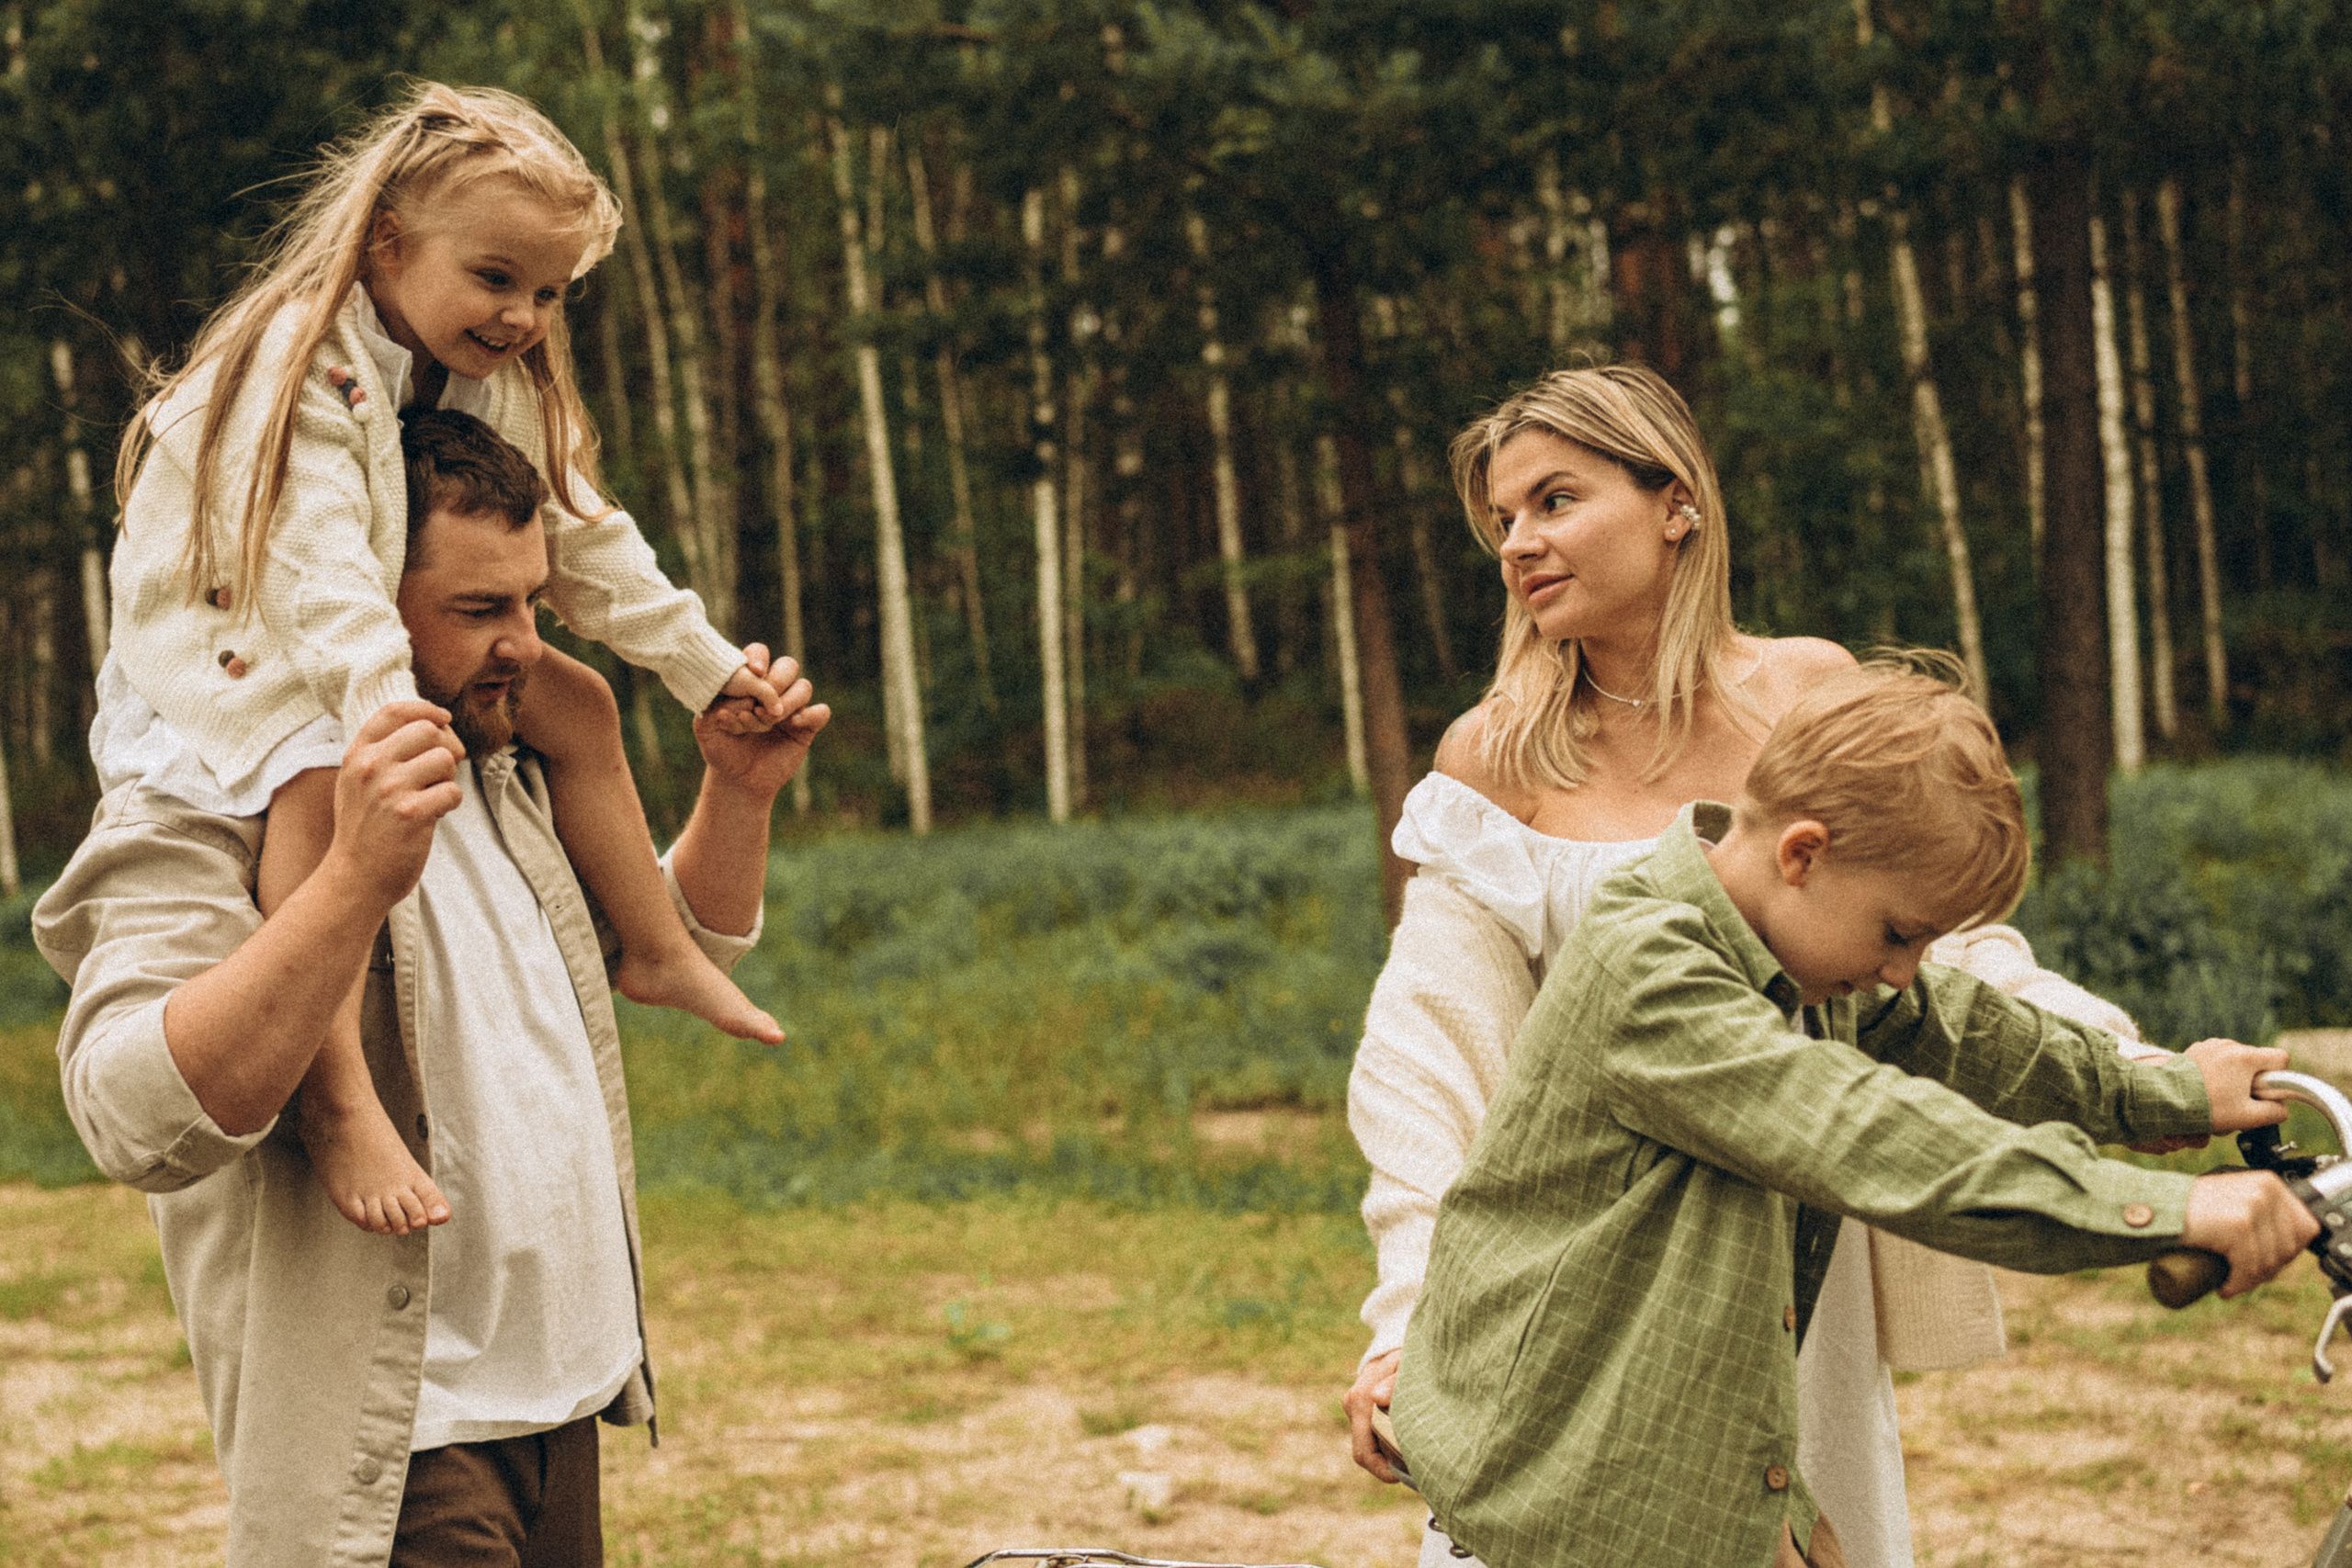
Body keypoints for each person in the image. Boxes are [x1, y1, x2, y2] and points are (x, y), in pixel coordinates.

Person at [1342, 366, 2174, 1568]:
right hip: (1586, 1278)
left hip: (1795, 1247)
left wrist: (2129, 1071)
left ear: (1674, 500)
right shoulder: (1496, 754)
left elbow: (1937, 953)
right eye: (1503, 519)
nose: (1518, 542)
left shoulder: (1810, 695)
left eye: (1555, 499)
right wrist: (1413, 1312)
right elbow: (1426, 1059)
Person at [37, 407, 830, 1567]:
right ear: (353, 598)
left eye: (531, 603)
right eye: (477, 610)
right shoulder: (209, 801)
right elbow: (131, 1112)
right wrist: (349, 883)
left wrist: (740, 796)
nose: (524, 645)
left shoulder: (506, 762)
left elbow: (666, 951)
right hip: (403, 1441)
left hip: (563, 1401)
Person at [1389, 659, 2312, 1568]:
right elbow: (1866, 1134)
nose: (1901, 970)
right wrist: (2165, 1209)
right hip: (1569, 1478)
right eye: (1898, 933)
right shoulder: (1653, 972)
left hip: (1684, 1450)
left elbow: (1963, 1028)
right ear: (1802, 854)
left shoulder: (1781, 948)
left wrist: (2159, 1091)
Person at [106, 81, 786, 1238]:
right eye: (496, 277)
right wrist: (387, 717)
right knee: (322, 776)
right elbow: (319, 568)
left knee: (577, 702)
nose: (522, 315)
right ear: (388, 242)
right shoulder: (294, 363)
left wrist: (707, 668)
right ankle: (339, 1101)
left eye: (549, 292)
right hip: (225, 634)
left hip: (364, 632)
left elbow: (579, 536)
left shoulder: (486, 382)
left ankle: (658, 950)